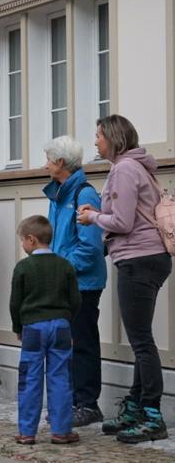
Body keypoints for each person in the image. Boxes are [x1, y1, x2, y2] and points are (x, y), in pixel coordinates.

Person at [78, 115, 172, 443]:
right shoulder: (138, 167)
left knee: (142, 342)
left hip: (138, 259)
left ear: (113, 139)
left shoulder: (123, 169)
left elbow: (122, 221)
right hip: (149, 257)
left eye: (98, 135)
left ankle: (151, 415)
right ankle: (135, 406)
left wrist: (92, 217)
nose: (95, 142)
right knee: (139, 339)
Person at [42, 136, 107, 427]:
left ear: (59, 163)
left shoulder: (84, 194)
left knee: (83, 344)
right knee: (66, 344)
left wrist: (62, 270)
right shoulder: (59, 194)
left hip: (83, 284)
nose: (45, 165)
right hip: (66, 283)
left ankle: (88, 404)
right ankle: (70, 401)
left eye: (48, 159)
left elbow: (91, 248)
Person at [10, 216, 81, 446]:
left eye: (22, 240)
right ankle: (61, 430)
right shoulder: (65, 265)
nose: (22, 245)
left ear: (31, 240)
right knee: (60, 377)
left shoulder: (23, 267)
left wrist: (17, 327)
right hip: (60, 325)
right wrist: (68, 322)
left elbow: (15, 303)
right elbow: (75, 300)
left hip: (33, 328)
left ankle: (27, 432)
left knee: (30, 378)